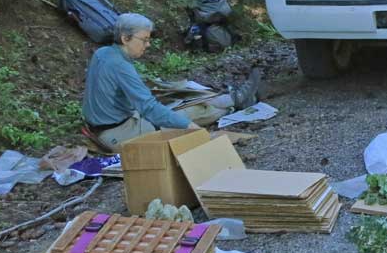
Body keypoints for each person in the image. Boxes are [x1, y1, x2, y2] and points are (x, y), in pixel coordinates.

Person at [83, 13, 260, 152]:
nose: (148, 44)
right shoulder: (120, 65)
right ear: (125, 38)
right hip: (119, 133)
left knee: (181, 100)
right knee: (189, 114)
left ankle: (232, 100)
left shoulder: (104, 53)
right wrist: (189, 127)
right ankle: (231, 105)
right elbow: (149, 108)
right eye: (144, 40)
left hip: (113, 124)